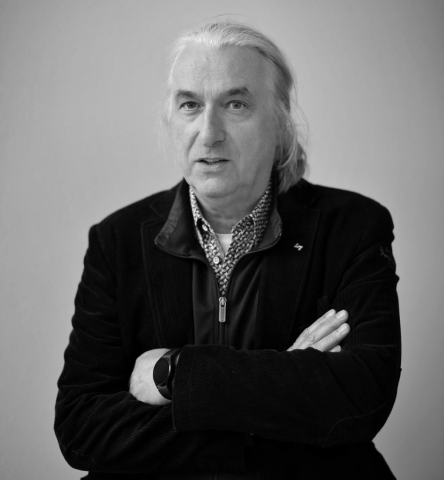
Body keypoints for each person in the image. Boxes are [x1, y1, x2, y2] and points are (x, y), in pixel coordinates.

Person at [55, 21, 401, 480]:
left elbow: (361, 397)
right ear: (170, 120)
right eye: (190, 105)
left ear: (280, 121)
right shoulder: (116, 241)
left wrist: (174, 373)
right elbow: (81, 427)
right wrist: (283, 393)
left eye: (236, 104)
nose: (209, 133)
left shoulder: (353, 227)